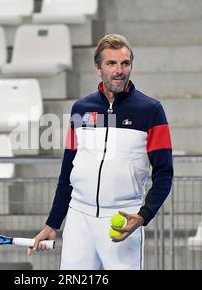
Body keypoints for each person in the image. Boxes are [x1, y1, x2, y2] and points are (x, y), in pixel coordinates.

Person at [27, 34, 173, 270]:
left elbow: (164, 174)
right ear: (98, 69)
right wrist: (53, 223)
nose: (119, 70)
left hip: (123, 219)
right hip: (78, 219)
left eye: (125, 63)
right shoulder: (81, 109)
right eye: (111, 63)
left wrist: (144, 215)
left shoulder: (151, 111)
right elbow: (67, 173)